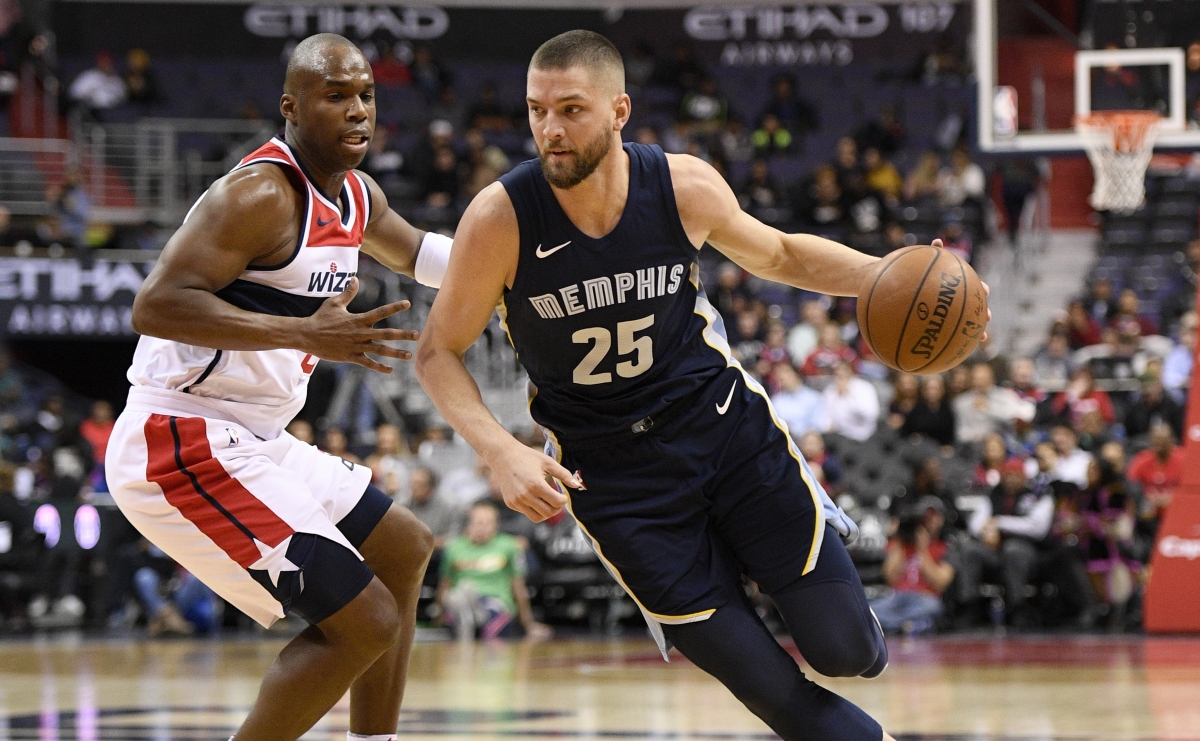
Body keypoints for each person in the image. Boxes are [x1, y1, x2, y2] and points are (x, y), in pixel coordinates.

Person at [412, 30, 981, 741]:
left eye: (571, 109)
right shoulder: (500, 219)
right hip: (620, 486)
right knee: (774, 693)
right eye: (536, 111)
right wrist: (499, 450)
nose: (550, 130)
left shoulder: (680, 184)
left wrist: (886, 273)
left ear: (619, 110)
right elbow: (437, 351)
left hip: (725, 433)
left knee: (850, 652)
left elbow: (777, 252)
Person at [105, 34, 454, 741]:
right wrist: (304, 336)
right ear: (291, 107)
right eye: (336, 97)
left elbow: (421, 253)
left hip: (255, 436)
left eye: (366, 96)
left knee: (405, 547)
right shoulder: (258, 193)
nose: (358, 112)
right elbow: (155, 304)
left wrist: (519, 266)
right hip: (179, 438)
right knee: (366, 622)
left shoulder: (356, 194)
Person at [959, 457, 1054, 628]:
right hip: (995, 550)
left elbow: (1037, 527)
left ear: (1024, 477)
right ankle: (969, 606)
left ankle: (1017, 607)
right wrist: (987, 532)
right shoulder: (995, 494)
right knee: (970, 549)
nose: (1010, 479)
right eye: (1007, 475)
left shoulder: (1038, 494)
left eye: (1015, 475)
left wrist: (999, 523)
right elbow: (975, 523)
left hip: (1030, 551)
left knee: (1013, 550)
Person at [437, 501, 549, 640]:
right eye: (478, 523)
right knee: (453, 610)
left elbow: (518, 585)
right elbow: (444, 583)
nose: (482, 528)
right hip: (459, 597)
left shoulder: (509, 546)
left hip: (496, 600)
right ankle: (467, 610)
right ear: (469, 525)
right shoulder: (454, 548)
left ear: (496, 525)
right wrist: (439, 615)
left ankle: (473, 613)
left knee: (489, 621)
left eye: (487, 523)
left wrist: (527, 623)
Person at [869, 498, 955, 635]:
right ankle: (906, 626)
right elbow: (889, 577)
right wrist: (900, 542)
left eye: (933, 516)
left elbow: (941, 582)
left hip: (924, 598)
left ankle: (891, 626)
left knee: (934, 607)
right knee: (870, 610)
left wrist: (922, 549)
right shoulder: (901, 546)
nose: (930, 520)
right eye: (926, 517)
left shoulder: (945, 547)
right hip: (897, 597)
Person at [822, 361, 879, 443]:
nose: (840, 374)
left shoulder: (865, 388)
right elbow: (827, 417)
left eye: (844, 371)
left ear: (851, 371)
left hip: (865, 436)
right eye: (837, 372)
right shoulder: (829, 391)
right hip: (840, 437)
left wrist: (848, 395)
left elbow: (871, 415)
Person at [770, 364, 827, 438]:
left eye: (786, 372)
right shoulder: (776, 400)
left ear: (797, 374)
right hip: (784, 439)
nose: (782, 376)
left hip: (807, 440)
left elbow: (819, 425)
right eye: (780, 374)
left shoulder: (813, 398)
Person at [900, 374, 955, 446]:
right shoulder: (916, 409)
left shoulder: (947, 410)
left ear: (942, 390)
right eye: (929, 388)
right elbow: (905, 433)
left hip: (940, 449)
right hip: (918, 447)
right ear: (924, 390)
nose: (932, 392)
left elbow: (950, 435)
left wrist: (947, 445)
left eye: (936, 388)